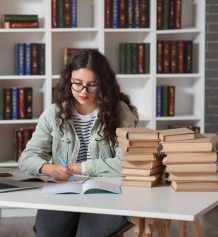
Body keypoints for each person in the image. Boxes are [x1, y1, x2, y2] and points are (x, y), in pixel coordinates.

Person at [18, 49, 138, 237]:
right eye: (78, 84)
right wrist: (49, 169)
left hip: (108, 193)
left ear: (104, 85)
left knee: (87, 234)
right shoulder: (54, 113)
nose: (83, 91)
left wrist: (82, 168)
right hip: (65, 191)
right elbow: (27, 158)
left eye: (92, 85)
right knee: (47, 232)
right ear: (69, 80)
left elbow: (128, 162)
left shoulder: (120, 111)